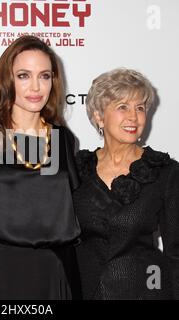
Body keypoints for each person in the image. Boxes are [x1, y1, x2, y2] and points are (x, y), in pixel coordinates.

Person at [0, 36, 81, 300]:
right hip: (0, 269)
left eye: (45, 76)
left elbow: (73, 207)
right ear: (8, 79)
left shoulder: (63, 139)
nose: (36, 86)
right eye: (24, 75)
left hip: (55, 269)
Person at [74, 68, 179, 299]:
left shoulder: (164, 172)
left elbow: (176, 252)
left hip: (144, 293)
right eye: (123, 107)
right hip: (85, 291)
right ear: (99, 116)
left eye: (140, 108)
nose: (134, 117)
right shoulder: (77, 170)